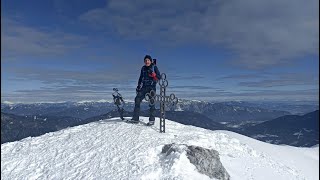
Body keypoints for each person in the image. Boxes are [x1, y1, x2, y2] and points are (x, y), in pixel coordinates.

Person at [128, 55, 161, 125]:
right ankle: (135, 118)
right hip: (144, 87)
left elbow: (159, 77)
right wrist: (138, 86)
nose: (147, 62)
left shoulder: (154, 67)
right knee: (137, 99)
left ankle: (152, 120)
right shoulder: (143, 68)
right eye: (145, 60)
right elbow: (141, 78)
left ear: (150, 61)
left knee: (152, 103)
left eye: (148, 60)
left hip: (152, 87)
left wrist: (154, 75)